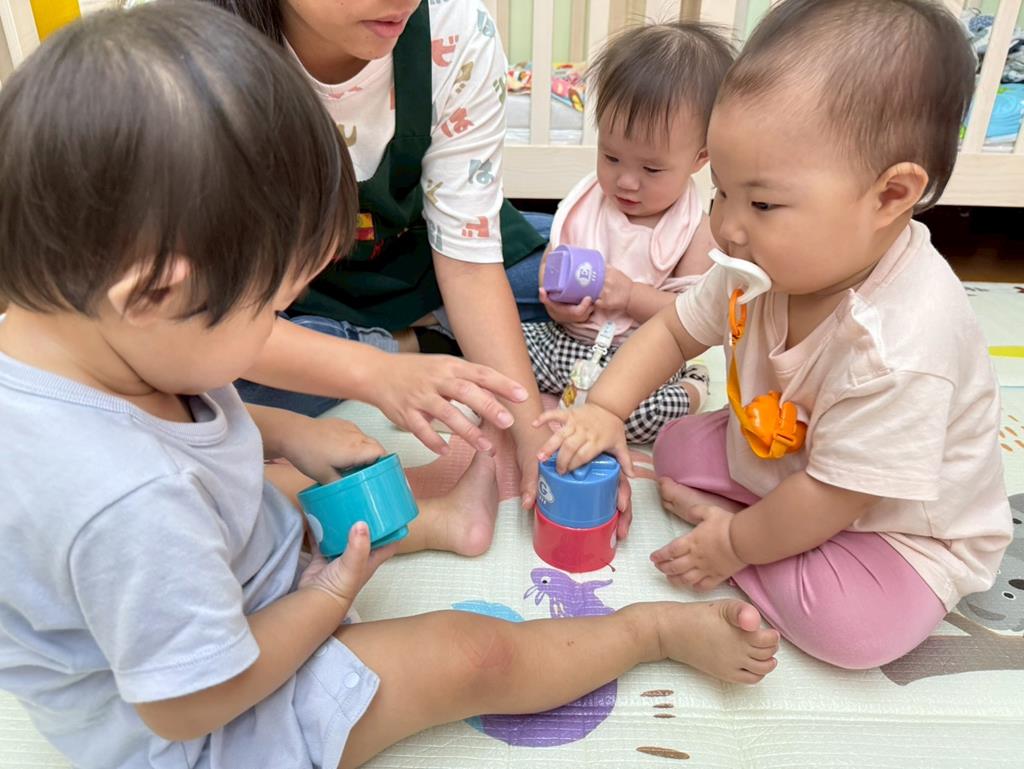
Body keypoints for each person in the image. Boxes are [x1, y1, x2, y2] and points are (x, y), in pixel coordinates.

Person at [0, 6, 780, 769]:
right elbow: (190, 703)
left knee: (271, 479)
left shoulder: (84, 346)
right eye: (270, 312)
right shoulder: (131, 504)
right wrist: (328, 597)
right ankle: (650, 631)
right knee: (471, 654)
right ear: (154, 293)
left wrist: (288, 429)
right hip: (219, 719)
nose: (275, 327)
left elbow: (172, 428)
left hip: (212, 576)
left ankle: (439, 520)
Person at [532, 0, 1013, 670]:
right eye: (720, 191)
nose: (728, 227)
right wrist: (605, 409)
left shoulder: (900, 347)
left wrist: (731, 546)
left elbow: (836, 495)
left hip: (893, 528)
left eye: (761, 203)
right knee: (673, 447)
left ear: (889, 196)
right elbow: (673, 331)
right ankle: (762, 526)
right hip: (791, 460)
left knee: (852, 632)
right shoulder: (754, 260)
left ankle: (759, 539)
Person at [200, 0, 554, 509]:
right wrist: (373, 373)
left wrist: (530, 432)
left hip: (421, 258)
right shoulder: (186, 51)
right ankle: (408, 345)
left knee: (569, 277)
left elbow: (470, 266)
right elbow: (194, 322)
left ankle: (414, 341)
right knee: (202, 392)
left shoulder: (456, 29)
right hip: (284, 300)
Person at [523, 22, 732, 443]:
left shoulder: (694, 230)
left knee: (644, 415)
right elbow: (552, 264)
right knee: (504, 353)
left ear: (700, 158)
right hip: (565, 342)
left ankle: (692, 386)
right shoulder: (588, 202)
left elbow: (692, 316)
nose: (626, 181)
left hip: (636, 366)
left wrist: (632, 296)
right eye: (611, 157)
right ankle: (563, 397)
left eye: (651, 169)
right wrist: (557, 305)